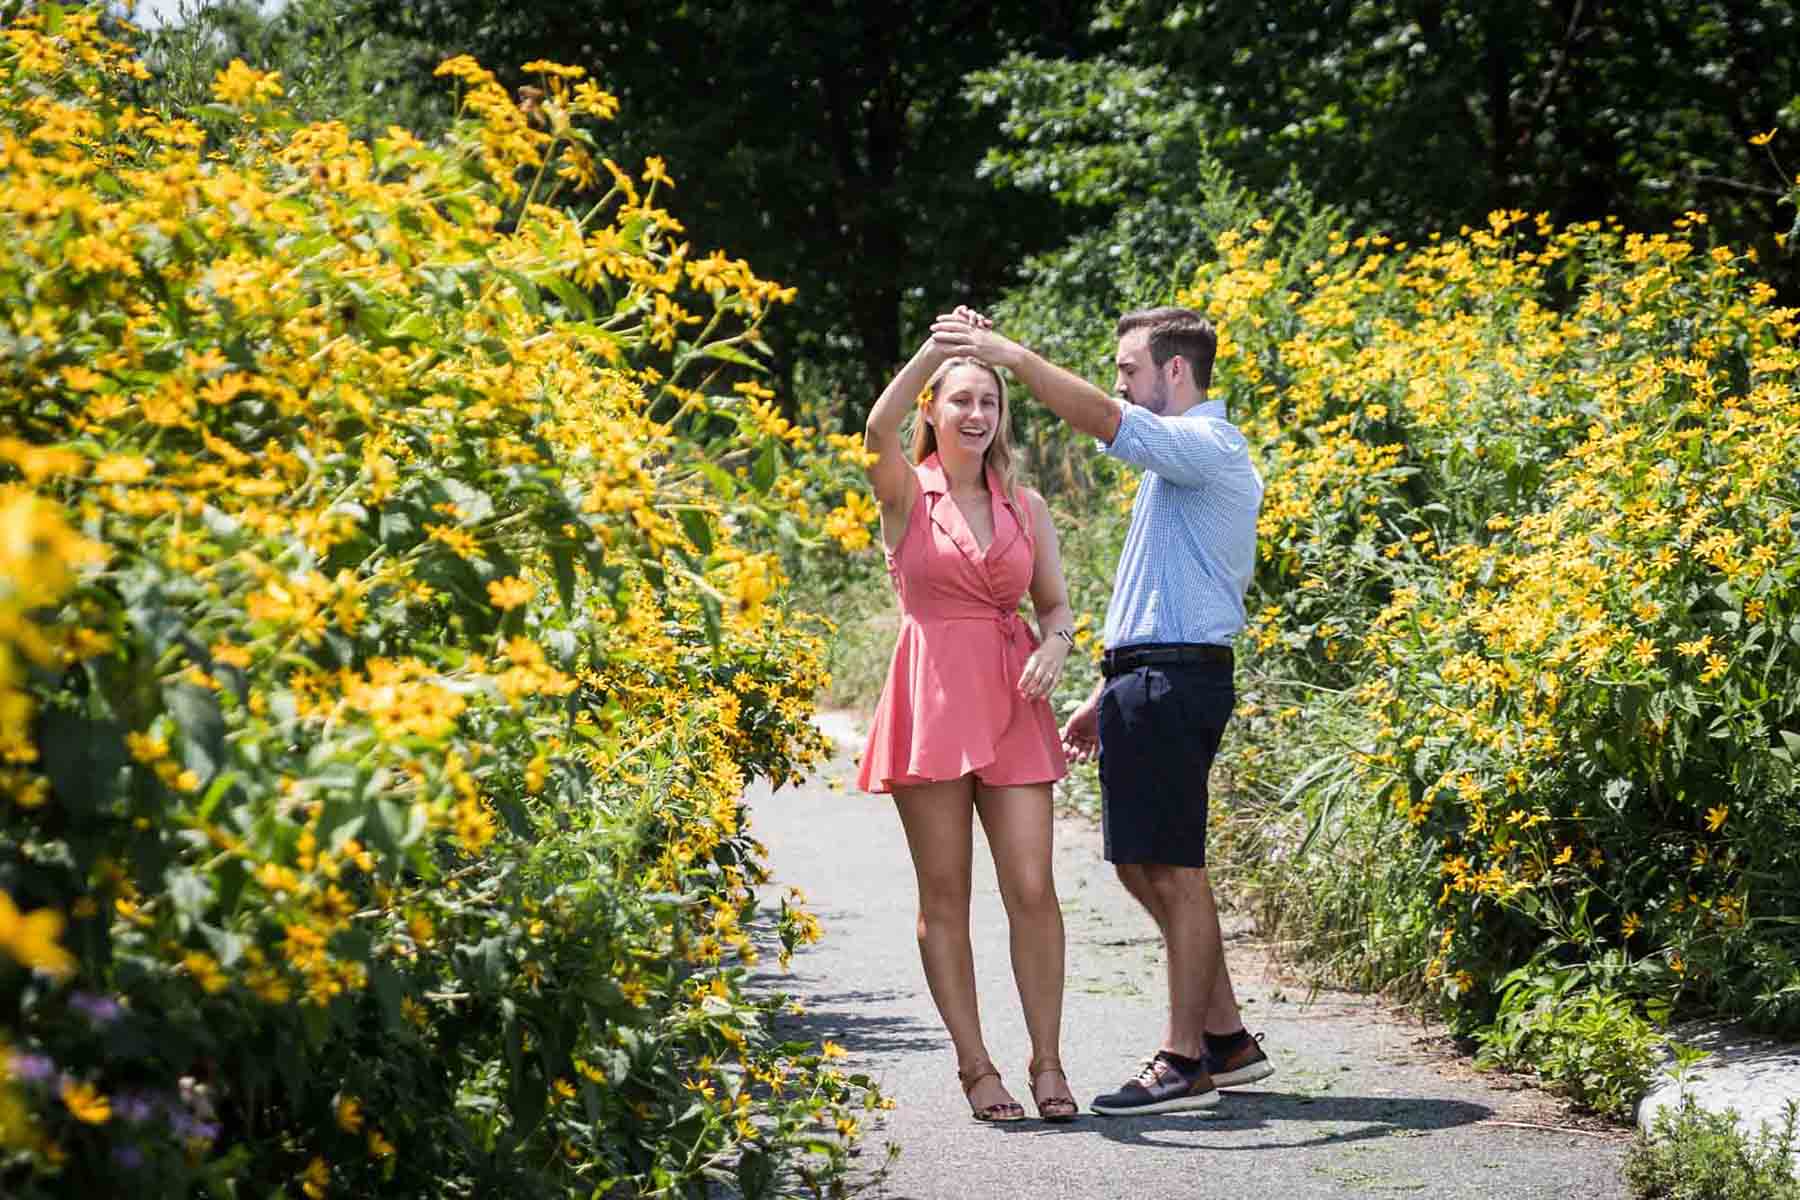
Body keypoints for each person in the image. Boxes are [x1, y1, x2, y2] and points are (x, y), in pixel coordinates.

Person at [930, 304, 1274, 1116]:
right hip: (1143, 676)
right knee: (1138, 865)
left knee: (1176, 871)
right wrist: (1105, 687)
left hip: (1175, 679)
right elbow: (1163, 591)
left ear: (1175, 371)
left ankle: (1183, 1060)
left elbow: (1099, 416)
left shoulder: (1205, 444)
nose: (1120, 381)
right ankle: (1226, 1037)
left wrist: (1007, 354)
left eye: (1130, 367)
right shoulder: (1177, 469)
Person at [856, 310, 1079, 1123]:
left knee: (1033, 887)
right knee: (945, 895)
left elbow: (1055, 606)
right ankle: (976, 1067)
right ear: (933, 412)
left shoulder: (1027, 505)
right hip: (932, 701)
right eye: (961, 401)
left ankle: (1049, 1064)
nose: (977, 415)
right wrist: (938, 349)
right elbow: (877, 424)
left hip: (1016, 701)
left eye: (989, 401)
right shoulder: (903, 492)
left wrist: (1057, 643)